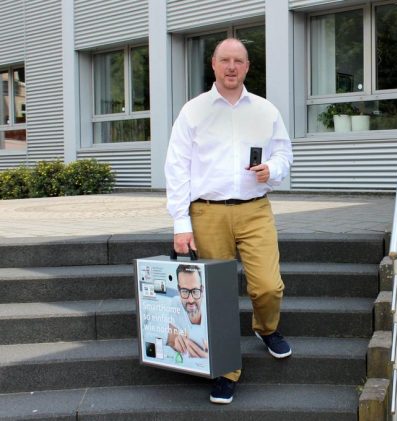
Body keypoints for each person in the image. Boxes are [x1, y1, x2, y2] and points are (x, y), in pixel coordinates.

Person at [164, 37, 294, 405]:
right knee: (216, 296)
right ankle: (225, 370)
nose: (232, 67)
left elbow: (285, 153)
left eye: (239, 60)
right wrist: (180, 222)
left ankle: (265, 328)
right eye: (225, 60)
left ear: (248, 66)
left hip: (255, 210)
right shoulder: (193, 111)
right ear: (214, 64)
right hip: (207, 212)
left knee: (268, 286)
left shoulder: (266, 110)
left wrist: (273, 169)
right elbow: (177, 167)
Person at [167, 264, 208, 359]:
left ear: (202, 290)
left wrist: (208, 357)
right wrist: (176, 343)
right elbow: (171, 341)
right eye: (185, 291)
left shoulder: (210, 307)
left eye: (195, 291)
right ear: (178, 290)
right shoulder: (175, 303)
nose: (190, 300)